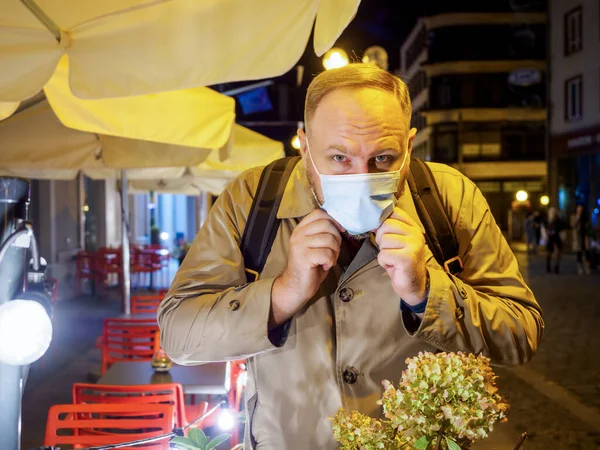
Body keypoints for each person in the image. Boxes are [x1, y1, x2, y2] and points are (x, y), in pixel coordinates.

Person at [158, 64, 544, 450]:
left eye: (384, 158)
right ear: (305, 147)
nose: (361, 175)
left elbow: (521, 333)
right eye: (340, 158)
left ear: (409, 146)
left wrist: (426, 292)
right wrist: (281, 295)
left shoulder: (449, 198)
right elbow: (178, 334)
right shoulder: (250, 200)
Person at [544, 206, 565, 274]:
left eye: (554, 212)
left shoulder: (558, 220)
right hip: (549, 238)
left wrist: (562, 238)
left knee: (557, 253)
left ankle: (556, 266)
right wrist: (545, 236)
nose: (552, 213)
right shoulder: (547, 220)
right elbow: (544, 228)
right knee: (548, 253)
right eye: (551, 211)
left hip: (556, 238)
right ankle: (548, 265)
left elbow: (561, 230)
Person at [572, 204, 591, 274]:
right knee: (578, 253)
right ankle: (580, 267)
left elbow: (588, 226)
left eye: (581, 208)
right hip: (577, 237)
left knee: (587, 253)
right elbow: (572, 225)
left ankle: (587, 267)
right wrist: (578, 218)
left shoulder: (585, 217)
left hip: (584, 237)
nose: (580, 210)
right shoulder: (574, 216)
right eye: (578, 208)